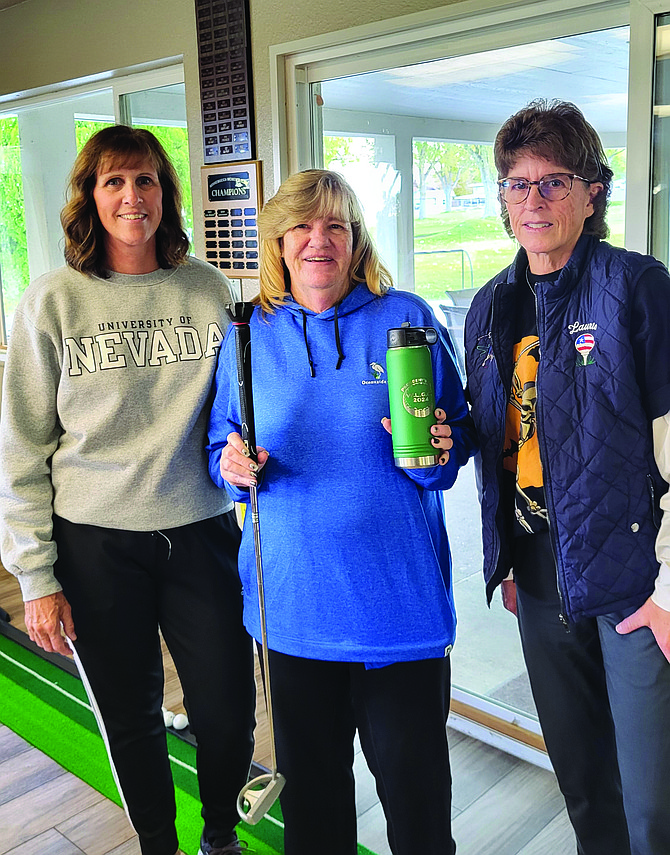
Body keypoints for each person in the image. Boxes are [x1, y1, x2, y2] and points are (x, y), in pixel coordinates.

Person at [0, 126, 255, 855]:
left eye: (144, 180)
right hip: (95, 542)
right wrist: (35, 576)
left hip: (202, 528)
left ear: (166, 195)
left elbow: (236, 408)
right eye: (113, 182)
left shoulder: (207, 290)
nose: (131, 197)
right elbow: (21, 447)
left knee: (226, 701)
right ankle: (157, 843)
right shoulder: (52, 301)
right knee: (130, 711)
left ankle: (220, 836)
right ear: (89, 196)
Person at [207, 169, 476, 855]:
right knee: (315, 817)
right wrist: (231, 466)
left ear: (355, 239)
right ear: (279, 240)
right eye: (301, 226)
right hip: (294, 612)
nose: (318, 240)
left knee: (418, 813)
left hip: (397, 616)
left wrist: (438, 455)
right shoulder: (247, 334)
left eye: (335, 225)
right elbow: (219, 441)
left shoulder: (407, 317)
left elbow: (455, 438)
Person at [464, 99, 670, 855]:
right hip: (539, 576)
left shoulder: (638, 288)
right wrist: (508, 556)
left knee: (653, 799)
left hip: (631, 579)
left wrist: (667, 591)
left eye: (554, 182)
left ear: (592, 192)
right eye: (517, 185)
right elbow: (495, 441)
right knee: (583, 780)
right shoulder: (489, 306)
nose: (534, 201)